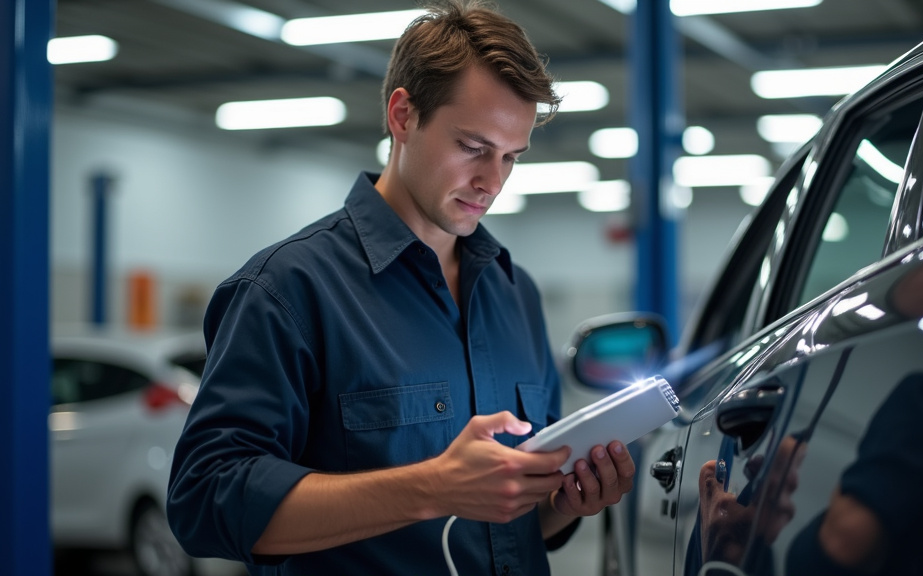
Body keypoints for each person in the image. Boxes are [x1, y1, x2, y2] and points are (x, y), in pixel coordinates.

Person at [165, 2, 636, 574]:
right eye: (473, 147)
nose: (492, 182)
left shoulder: (515, 294)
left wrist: (567, 504)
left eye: (511, 157)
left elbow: (515, 528)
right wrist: (432, 487)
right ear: (403, 115)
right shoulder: (288, 290)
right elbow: (205, 501)